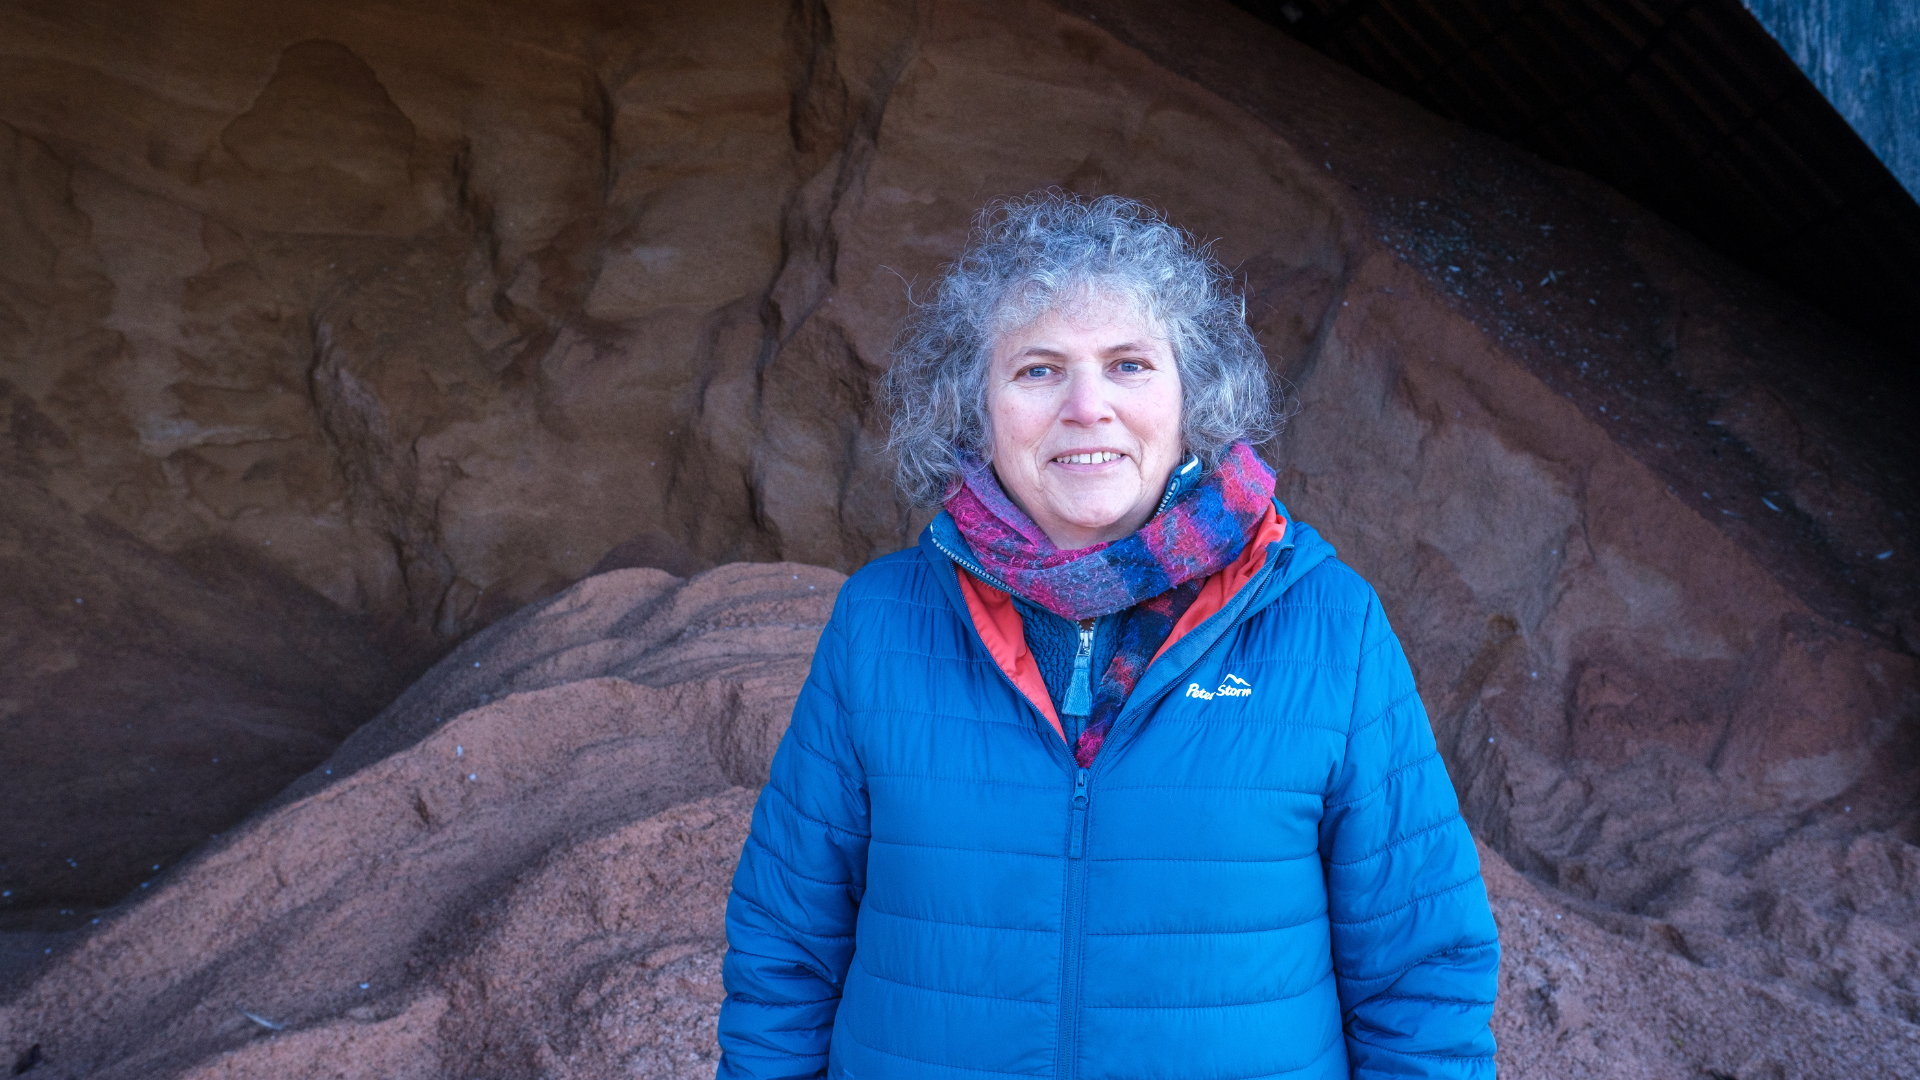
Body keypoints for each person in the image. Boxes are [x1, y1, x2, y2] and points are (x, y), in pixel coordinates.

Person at [716, 193, 1498, 1079]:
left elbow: (1422, 973)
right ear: (975, 407)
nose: (1087, 407)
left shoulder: (1330, 626)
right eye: (1038, 370)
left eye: (1128, 364)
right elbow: (787, 954)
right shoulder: (881, 623)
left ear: (1191, 394)